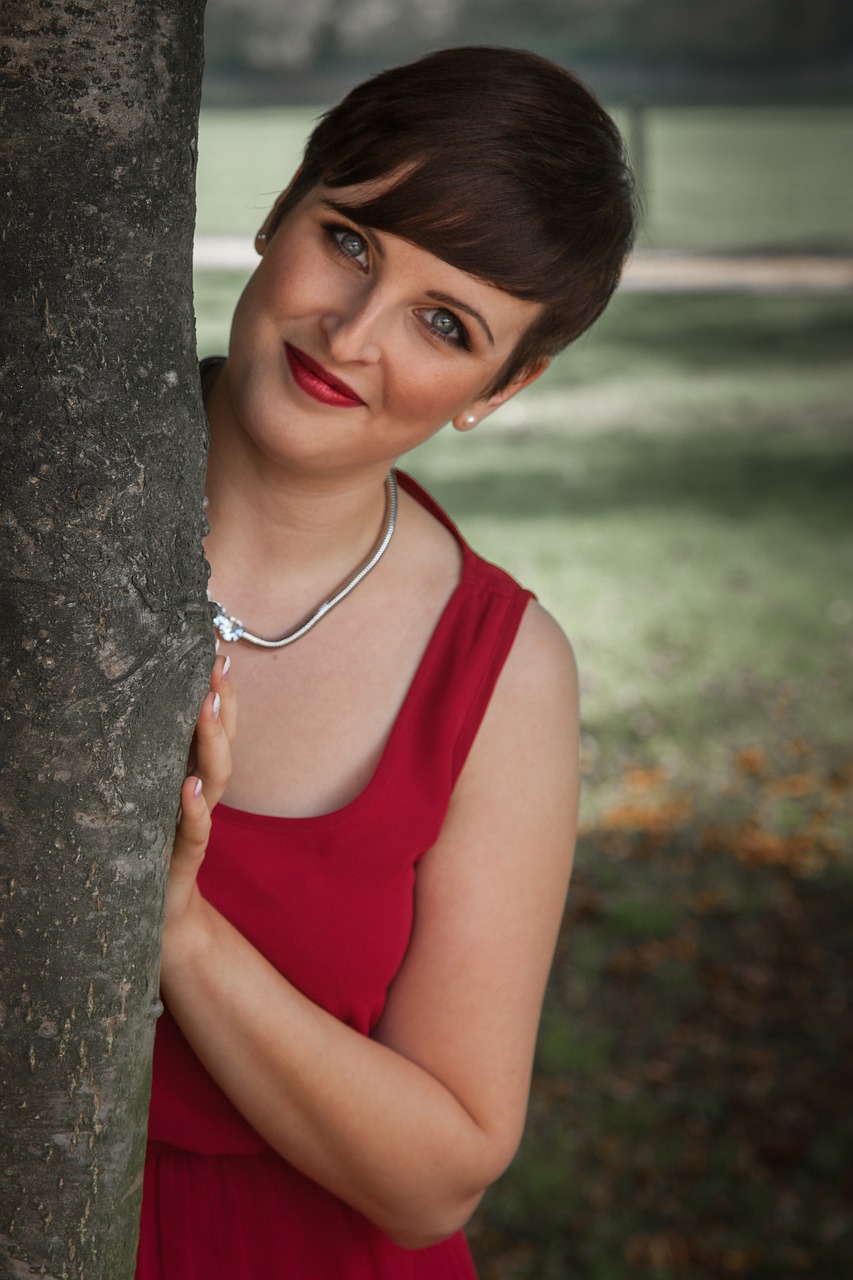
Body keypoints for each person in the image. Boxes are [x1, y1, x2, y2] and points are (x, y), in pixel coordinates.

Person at [136, 45, 636, 1280]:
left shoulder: (501, 673)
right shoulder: (34, 500)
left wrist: (176, 929)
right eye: (353, 241)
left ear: (499, 387)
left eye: (444, 322)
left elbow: (438, 1175)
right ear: (277, 211)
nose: (351, 334)